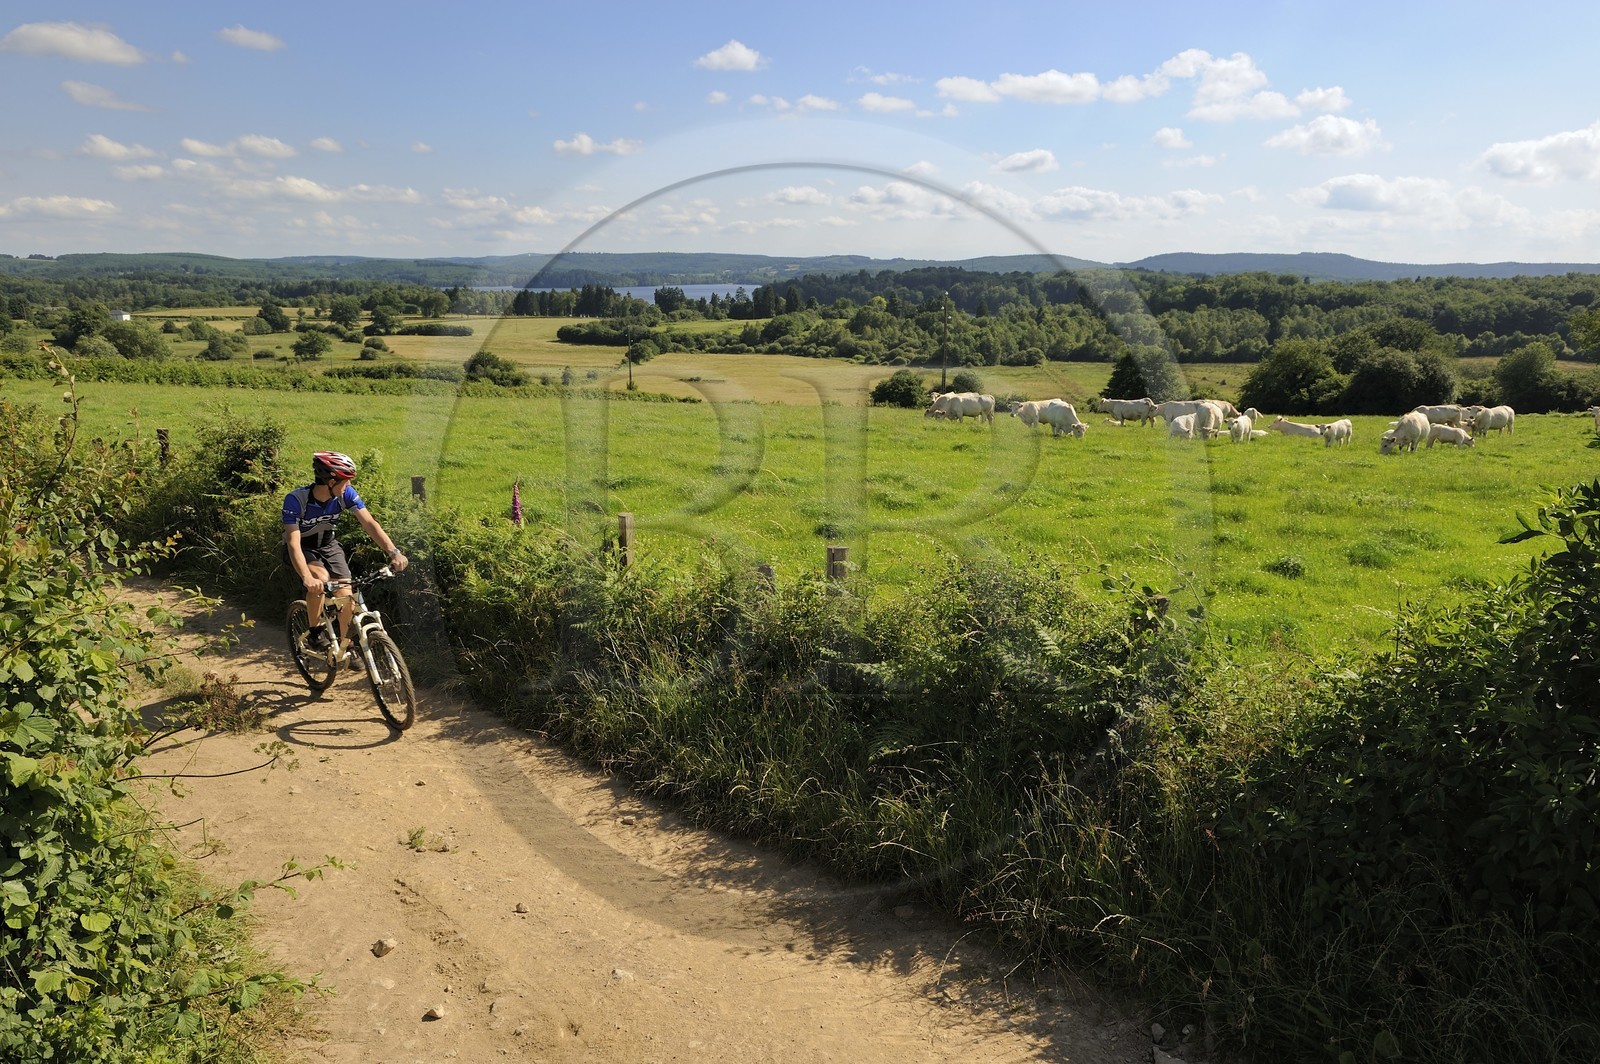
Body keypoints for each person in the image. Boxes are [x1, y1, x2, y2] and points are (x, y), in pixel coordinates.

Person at [282, 451, 408, 656]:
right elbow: (293, 543)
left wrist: (394, 552)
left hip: (328, 545)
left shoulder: (345, 495)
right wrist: (306, 577)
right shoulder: (296, 500)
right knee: (320, 580)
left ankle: (345, 645)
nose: (349, 486)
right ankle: (315, 632)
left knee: (347, 596)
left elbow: (370, 524)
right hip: (303, 548)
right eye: (346, 481)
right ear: (331, 481)